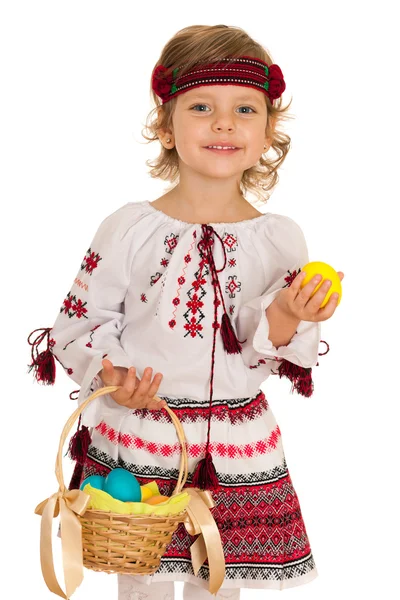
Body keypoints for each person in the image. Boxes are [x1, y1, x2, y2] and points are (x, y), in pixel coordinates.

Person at [27, 24, 344, 600]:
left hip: (234, 447)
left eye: (245, 109)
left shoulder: (281, 240)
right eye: (202, 106)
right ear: (166, 126)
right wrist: (113, 377)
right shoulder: (129, 227)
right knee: (144, 586)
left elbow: (269, 351)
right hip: (146, 437)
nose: (224, 123)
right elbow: (80, 324)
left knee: (218, 587)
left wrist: (288, 313)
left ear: (269, 131)